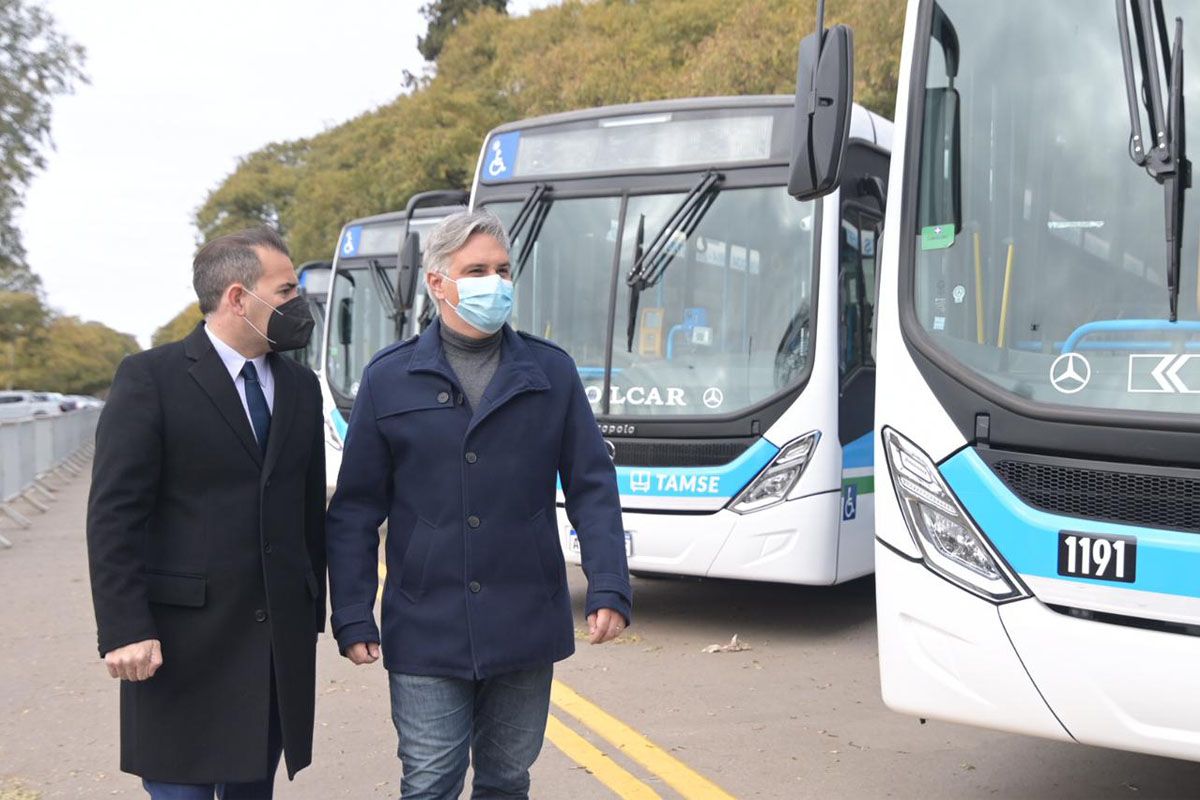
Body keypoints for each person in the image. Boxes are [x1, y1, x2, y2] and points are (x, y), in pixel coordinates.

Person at [326, 209, 631, 799]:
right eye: (477, 270)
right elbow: (357, 510)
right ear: (439, 283)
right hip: (425, 622)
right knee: (430, 780)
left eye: (502, 269)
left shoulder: (549, 372)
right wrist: (354, 613)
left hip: (526, 618)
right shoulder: (390, 379)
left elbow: (593, 485)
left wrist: (610, 585)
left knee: (506, 780)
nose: (495, 282)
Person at [86, 227, 327, 799]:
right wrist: (125, 628)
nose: (299, 302)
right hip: (180, 646)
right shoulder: (151, 379)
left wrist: (312, 610)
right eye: (287, 288)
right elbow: (113, 514)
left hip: (272, 651)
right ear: (239, 297)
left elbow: (306, 510)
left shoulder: (301, 387)